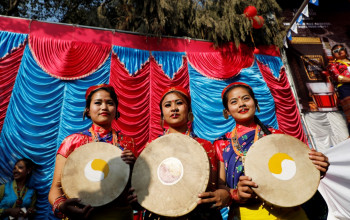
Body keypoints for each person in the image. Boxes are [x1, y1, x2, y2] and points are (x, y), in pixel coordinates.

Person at [214, 82, 330, 220]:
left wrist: (316, 169)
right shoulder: (222, 144)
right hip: (247, 212)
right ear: (226, 111)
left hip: (289, 210)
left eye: (246, 98)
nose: (241, 104)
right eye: (234, 101)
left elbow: (297, 172)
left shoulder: (277, 136)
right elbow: (221, 186)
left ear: (255, 103)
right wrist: (236, 194)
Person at [130, 86, 227, 219]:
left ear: (189, 110)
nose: (174, 108)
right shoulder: (152, 147)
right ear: (162, 113)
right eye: (167, 105)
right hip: (159, 213)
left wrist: (224, 194)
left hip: (199, 213)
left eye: (179, 103)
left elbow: (211, 186)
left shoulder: (204, 145)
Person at [48, 84, 137, 220]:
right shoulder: (72, 141)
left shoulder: (128, 143)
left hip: (119, 214)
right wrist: (62, 206)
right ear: (88, 110)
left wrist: (134, 167)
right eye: (97, 103)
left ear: (116, 110)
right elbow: (55, 188)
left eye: (110, 103)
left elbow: (136, 189)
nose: (104, 107)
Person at [327, 44, 350, 132]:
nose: (340, 51)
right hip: (345, 88)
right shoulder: (333, 65)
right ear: (333, 55)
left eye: (342, 49)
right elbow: (337, 77)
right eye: (336, 51)